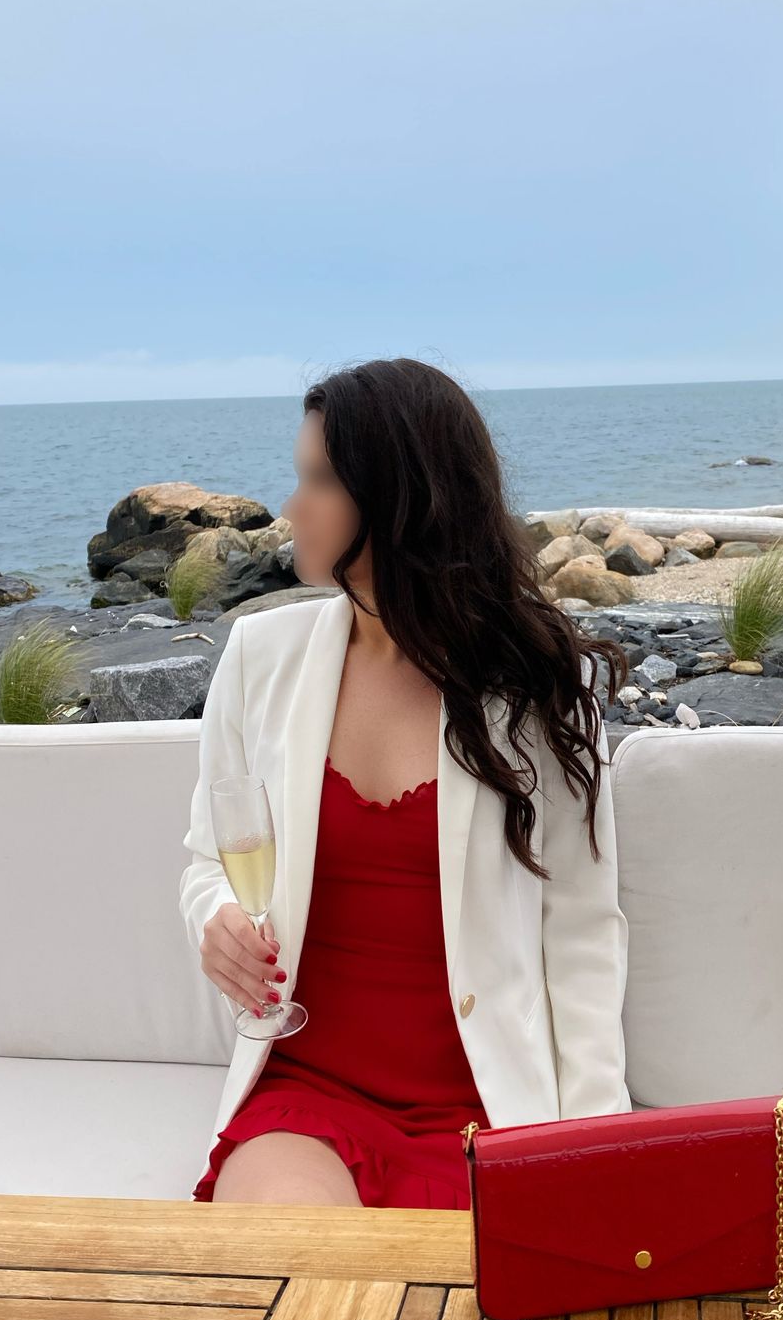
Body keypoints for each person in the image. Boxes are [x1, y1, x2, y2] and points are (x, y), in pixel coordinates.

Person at [179, 356, 632, 1208]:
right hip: (305, 1100)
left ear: (396, 497)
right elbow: (208, 859)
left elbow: (581, 933)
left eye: (318, 478)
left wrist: (593, 1148)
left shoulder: (536, 686)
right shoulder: (258, 661)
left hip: (483, 1110)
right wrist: (217, 920)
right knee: (292, 1288)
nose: (291, 507)